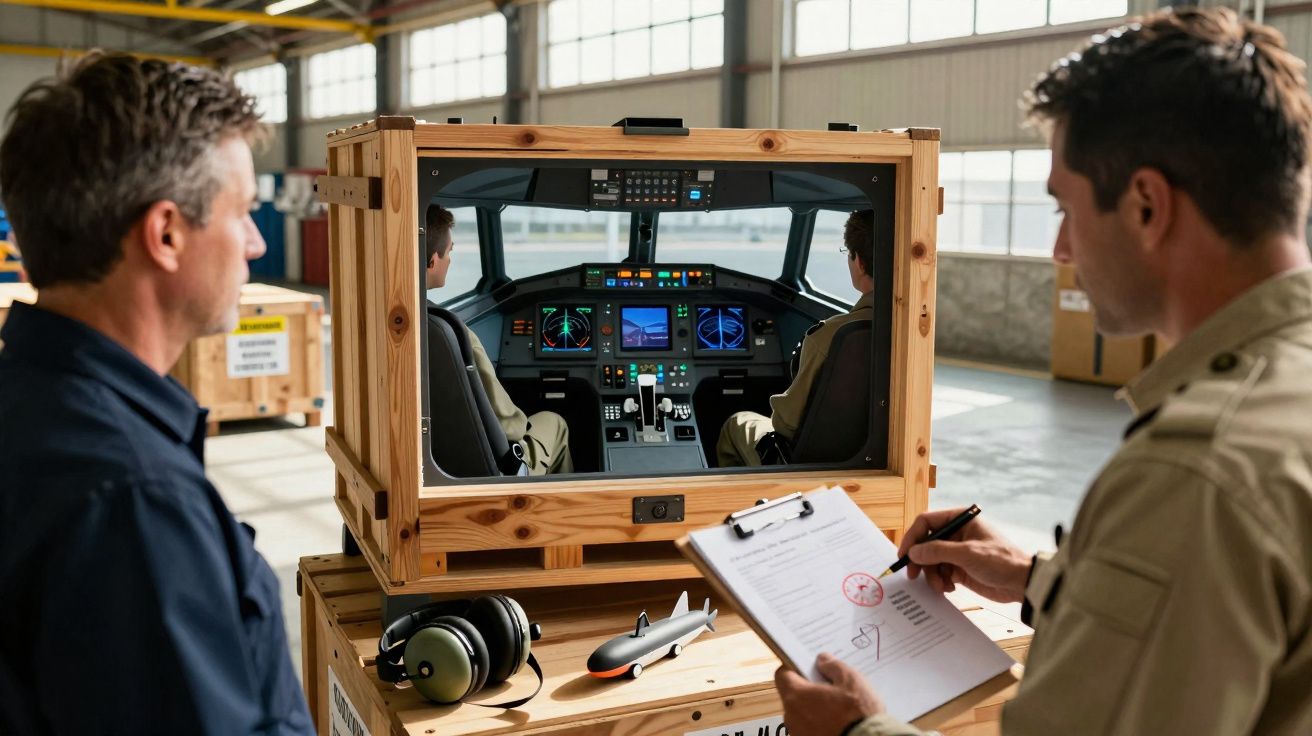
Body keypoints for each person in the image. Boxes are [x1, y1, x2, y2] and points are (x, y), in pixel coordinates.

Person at [776, 7, 1312, 735]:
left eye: (1065, 207)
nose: (1061, 249)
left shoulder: (1196, 474)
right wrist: (1044, 581)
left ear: (1148, 206)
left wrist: (855, 729)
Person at [0, 54, 313, 733]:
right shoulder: (132, 503)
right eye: (244, 212)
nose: (257, 242)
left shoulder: (30, 412)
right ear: (166, 233)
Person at [716, 209, 875, 466]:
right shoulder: (905, 333)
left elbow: (785, 424)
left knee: (737, 423)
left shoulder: (831, 337)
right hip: (866, 460)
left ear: (860, 263)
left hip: (803, 463)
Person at [424, 204, 573, 475]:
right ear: (433, 260)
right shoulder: (453, 333)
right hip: (498, 469)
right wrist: (522, 422)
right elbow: (511, 427)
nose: (450, 260)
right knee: (555, 422)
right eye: (450, 252)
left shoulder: (406, 322)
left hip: (434, 462)